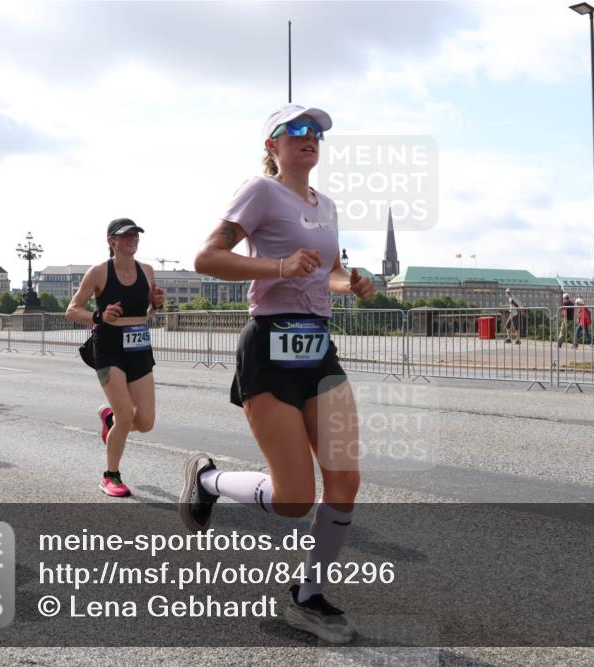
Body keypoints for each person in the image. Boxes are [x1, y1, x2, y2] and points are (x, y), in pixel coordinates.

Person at [184, 103, 375, 644]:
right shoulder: (260, 191)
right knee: (294, 499)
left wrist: (351, 284)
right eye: (295, 130)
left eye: (315, 131)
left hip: (318, 347)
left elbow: (330, 272)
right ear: (272, 145)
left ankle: (308, 598)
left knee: (345, 478)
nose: (308, 137)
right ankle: (207, 480)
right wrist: (278, 267)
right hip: (269, 344)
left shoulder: (327, 205)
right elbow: (206, 257)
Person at [65, 219, 165, 497]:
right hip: (108, 347)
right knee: (125, 415)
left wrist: (157, 304)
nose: (133, 239)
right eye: (126, 235)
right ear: (112, 241)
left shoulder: (147, 270)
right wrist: (99, 315)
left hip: (139, 347)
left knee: (144, 422)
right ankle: (111, 475)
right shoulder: (98, 272)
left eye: (135, 235)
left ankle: (109, 421)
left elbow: (148, 313)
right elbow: (72, 311)